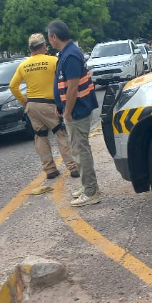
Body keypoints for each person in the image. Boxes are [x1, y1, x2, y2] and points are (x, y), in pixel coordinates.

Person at [9, 33, 79, 181]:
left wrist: (23, 100)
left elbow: (13, 86)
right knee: (60, 133)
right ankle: (73, 167)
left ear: (30, 48)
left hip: (32, 105)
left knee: (40, 136)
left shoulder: (23, 65)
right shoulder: (53, 61)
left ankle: (50, 170)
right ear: (44, 46)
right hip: (49, 104)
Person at [47, 19, 100, 207]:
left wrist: (67, 110)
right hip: (72, 110)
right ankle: (88, 186)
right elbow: (63, 86)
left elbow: (72, 88)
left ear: (54, 37)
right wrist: (60, 106)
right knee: (77, 149)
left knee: (80, 151)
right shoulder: (66, 53)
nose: (49, 41)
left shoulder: (70, 56)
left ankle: (91, 191)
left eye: (49, 37)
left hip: (77, 111)